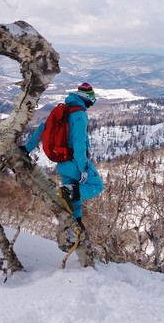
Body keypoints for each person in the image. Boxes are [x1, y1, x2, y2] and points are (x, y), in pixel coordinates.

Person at [22, 83, 104, 226]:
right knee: (96, 185)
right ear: (86, 98)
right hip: (74, 161)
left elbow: (43, 129)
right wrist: (82, 167)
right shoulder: (79, 115)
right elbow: (79, 143)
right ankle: (69, 193)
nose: (92, 103)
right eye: (92, 100)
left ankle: (75, 224)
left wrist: (27, 148)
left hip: (62, 163)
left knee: (73, 198)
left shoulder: (62, 111)